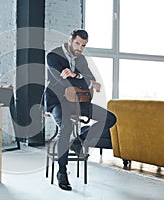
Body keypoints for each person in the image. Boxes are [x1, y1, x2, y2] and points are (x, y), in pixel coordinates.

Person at [42, 29, 116, 191]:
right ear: (70, 40)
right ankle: (62, 171)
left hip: (79, 101)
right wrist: (81, 79)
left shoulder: (81, 59)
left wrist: (75, 76)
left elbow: (90, 81)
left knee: (110, 119)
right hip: (58, 101)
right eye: (77, 43)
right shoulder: (53, 56)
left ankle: (78, 140)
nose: (80, 49)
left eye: (83, 46)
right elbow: (62, 83)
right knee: (66, 126)